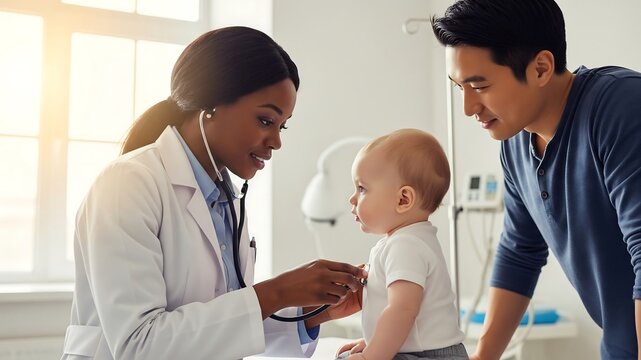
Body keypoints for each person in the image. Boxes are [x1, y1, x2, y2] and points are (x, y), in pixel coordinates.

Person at [60, 26, 367, 360]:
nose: (277, 141)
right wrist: (277, 291)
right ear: (210, 104)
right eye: (266, 120)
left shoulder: (226, 202)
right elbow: (140, 344)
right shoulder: (127, 184)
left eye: (282, 126)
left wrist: (316, 310)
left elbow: (218, 326)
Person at [431, 0, 641, 359]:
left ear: (541, 68)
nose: (467, 108)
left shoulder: (622, 107)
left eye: (478, 86)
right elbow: (519, 254)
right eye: (458, 87)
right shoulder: (515, 142)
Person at [336, 129, 468, 360]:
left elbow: (402, 311)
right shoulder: (408, 239)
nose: (352, 198)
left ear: (403, 200)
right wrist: (373, 342)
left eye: (362, 188)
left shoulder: (406, 245)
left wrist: (372, 355)